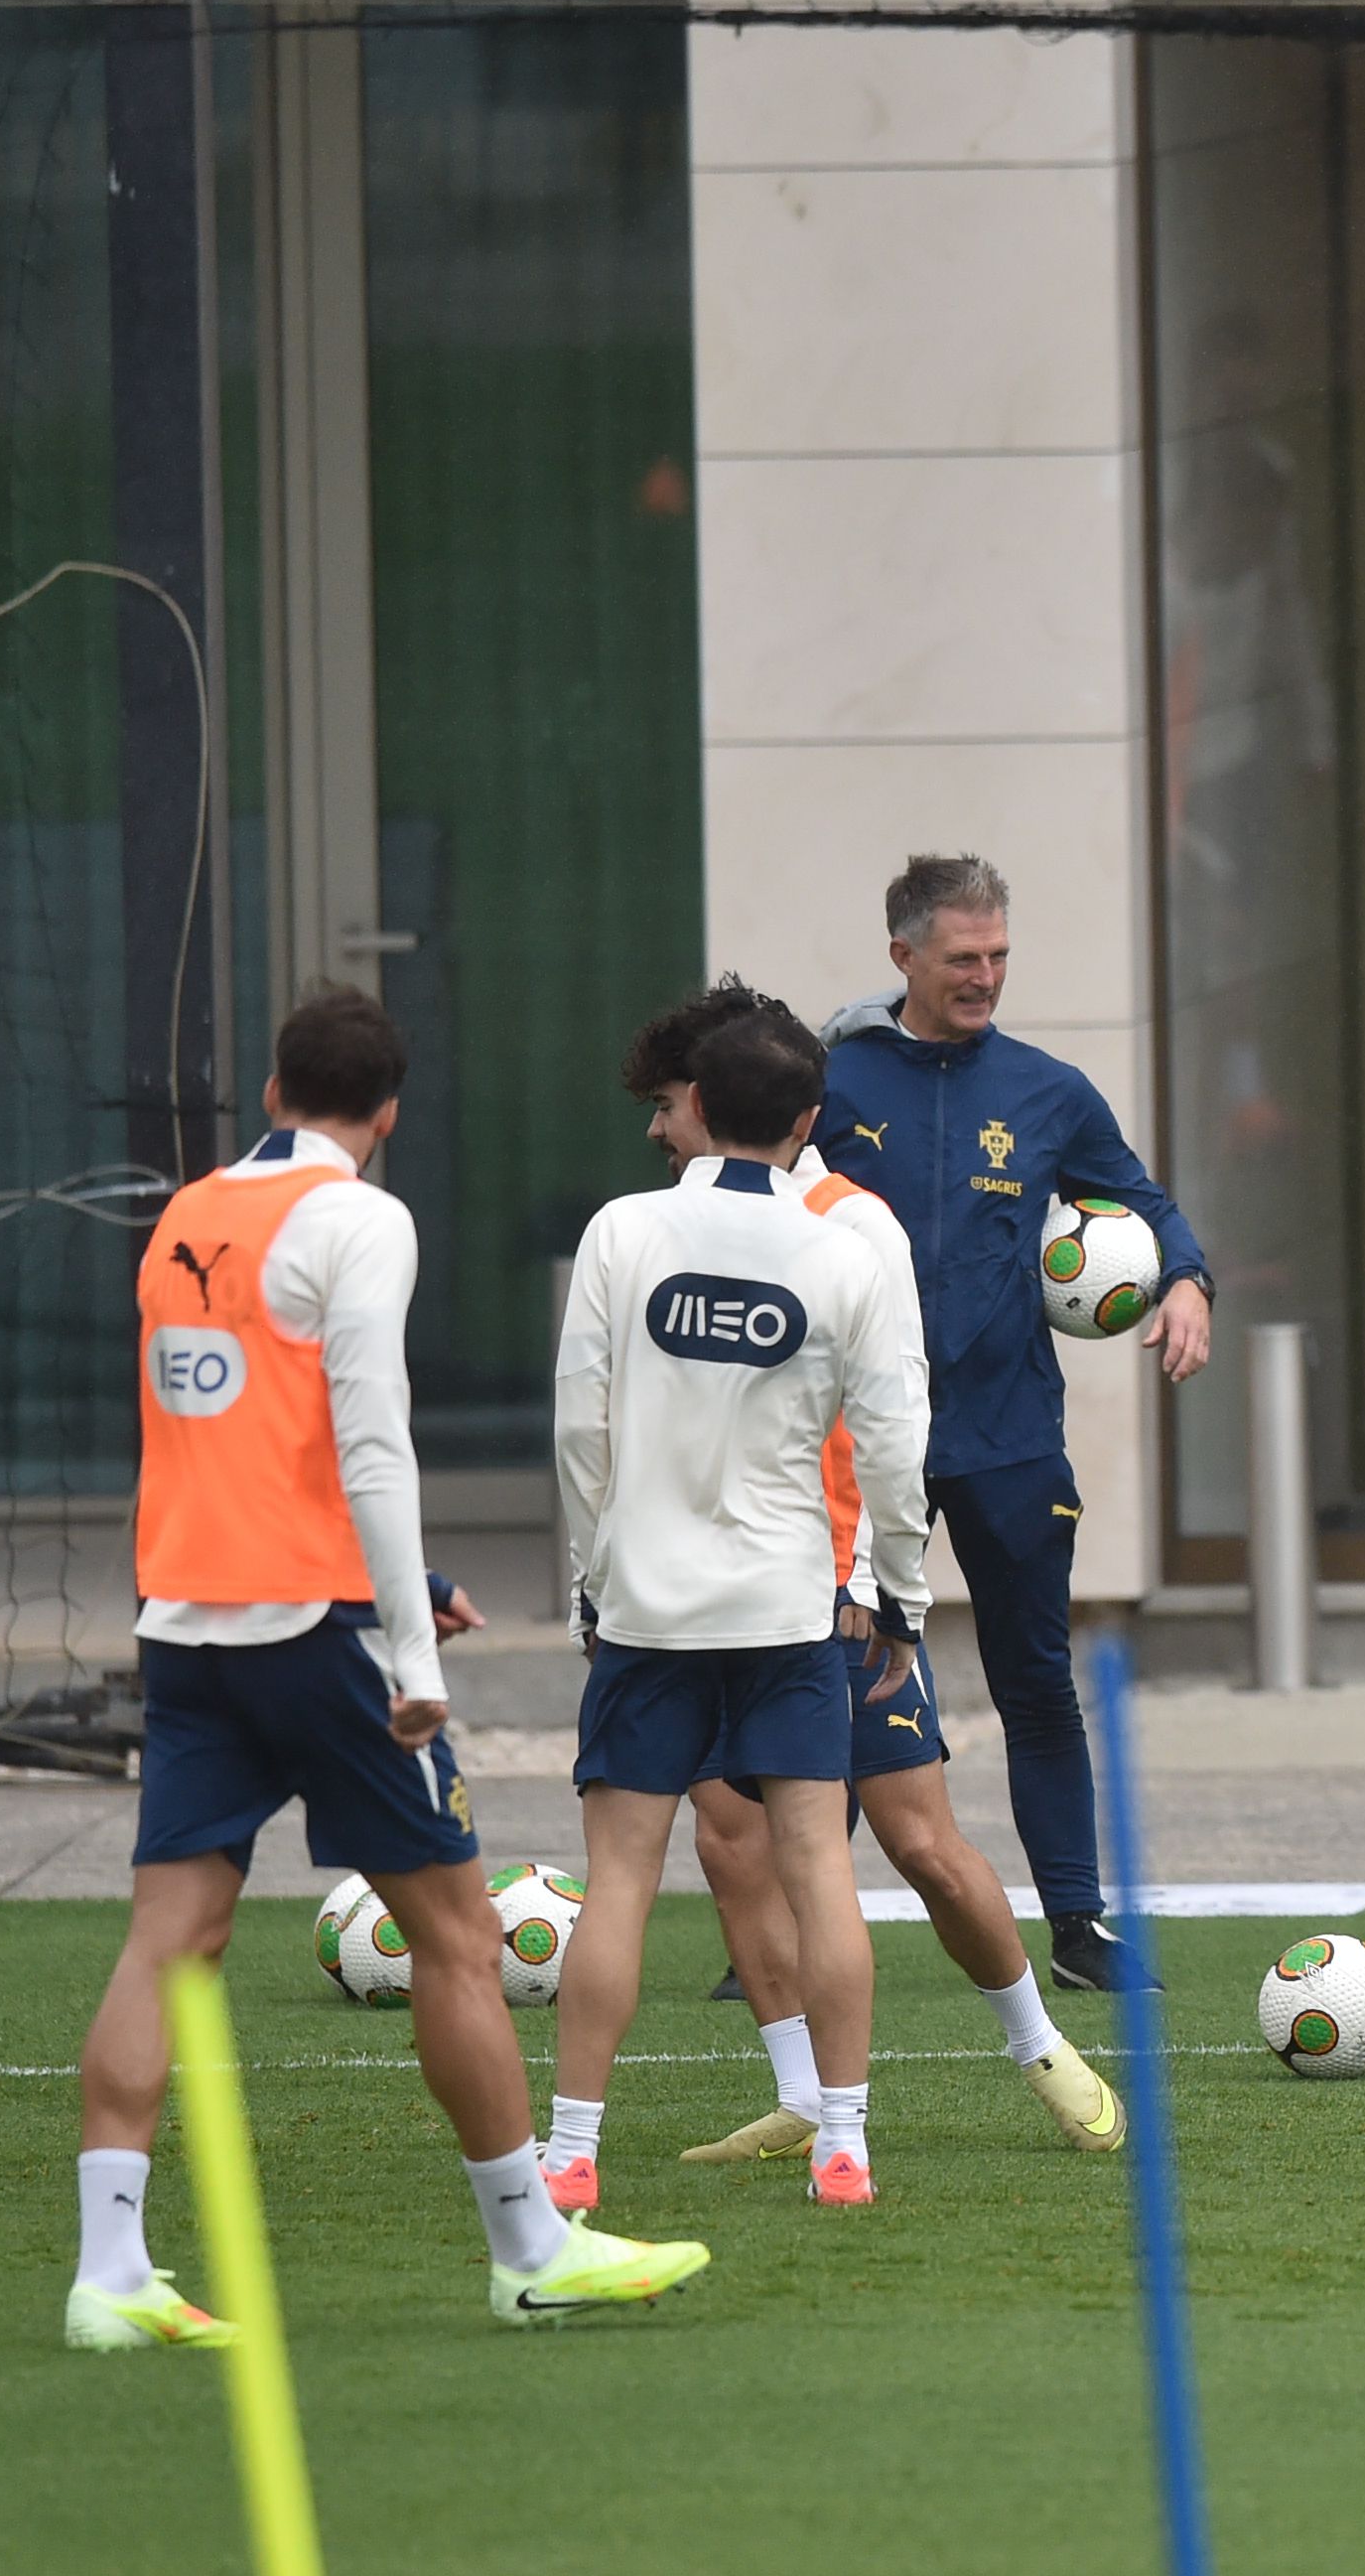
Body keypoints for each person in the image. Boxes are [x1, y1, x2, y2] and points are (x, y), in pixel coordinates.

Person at [75, 988, 707, 2345]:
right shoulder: (360, 1219)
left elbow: (242, 1438)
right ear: (389, 1115)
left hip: (184, 1624)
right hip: (318, 1640)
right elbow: (370, 1444)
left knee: (168, 1940)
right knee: (459, 1939)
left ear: (271, 1093)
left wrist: (401, 1584)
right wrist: (410, 1653)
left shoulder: (187, 1215)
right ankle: (531, 2249)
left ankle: (109, 2273)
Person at [584, 985, 1119, 2167]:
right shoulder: (657, 1226)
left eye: (667, 1103)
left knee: (918, 1841)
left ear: (713, 1099)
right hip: (701, 1597)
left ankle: (1040, 2046)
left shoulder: (850, 1224)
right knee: (731, 1842)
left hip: (830, 1594)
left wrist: (884, 1583)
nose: (658, 1127)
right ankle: (802, 2097)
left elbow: (894, 1420)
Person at [549, 990, 932, 2212]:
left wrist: (592, 1578)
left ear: (700, 1106)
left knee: (619, 1878)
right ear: (808, 1120)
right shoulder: (844, 1250)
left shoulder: (622, 1230)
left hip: (648, 1612)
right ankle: (843, 2148)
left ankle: (569, 2153)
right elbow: (895, 1445)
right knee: (819, 1867)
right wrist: (903, 1595)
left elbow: (578, 1429)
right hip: (787, 1610)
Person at [820, 855, 1212, 1994]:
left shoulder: (1048, 1090)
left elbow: (1142, 1202)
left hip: (1007, 1437)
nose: (985, 976)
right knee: (828, 1678)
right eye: (961, 958)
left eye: (997, 955)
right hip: (856, 1439)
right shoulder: (832, 1079)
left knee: (1036, 1681)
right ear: (902, 955)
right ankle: (785, 1932)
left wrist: (1186, 1279)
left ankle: (1078, 1928)